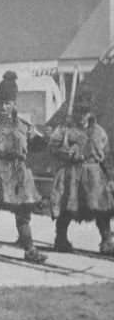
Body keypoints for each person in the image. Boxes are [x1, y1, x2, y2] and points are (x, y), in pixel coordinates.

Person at [0, 72, 47, 263]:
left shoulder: (23, 126)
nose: (3, 107)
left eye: (7, 103)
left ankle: (30, 249)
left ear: (14, 104)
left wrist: (39, 136)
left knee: (23, 213)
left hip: (18, 174)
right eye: (0, 103)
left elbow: (38, 148)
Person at [48, 88, 114, 255]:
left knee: (102, 209)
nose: (82, 115)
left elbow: (106, 156)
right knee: (67, 208)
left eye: (85, 111)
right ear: (74, 111)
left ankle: (106, 241)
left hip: (95, 176)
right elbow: (53, 148)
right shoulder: (64, 130)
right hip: (72, 174)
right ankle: (61, 239)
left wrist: (110, 177)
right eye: (79, 111)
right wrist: (66, 152)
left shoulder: (99, 132)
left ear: (90, 113)